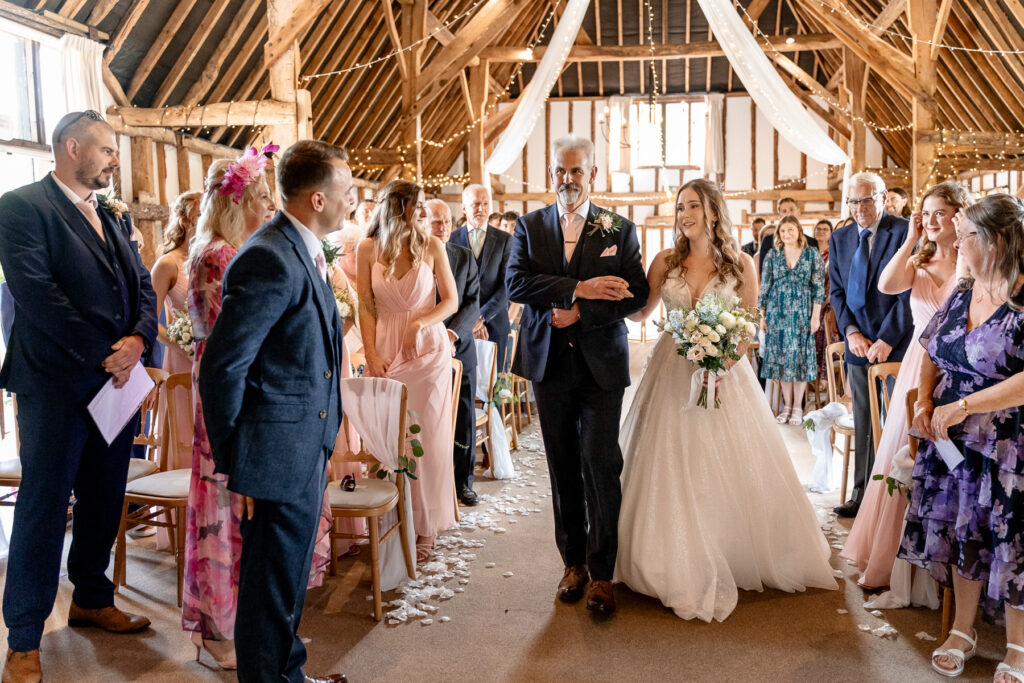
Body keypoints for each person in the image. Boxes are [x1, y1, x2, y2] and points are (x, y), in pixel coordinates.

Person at [615, 179, 836, 622]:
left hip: (724, 371)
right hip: (672, 369)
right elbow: (643, 310)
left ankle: (730, 547)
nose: (685, 214)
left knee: (727, 457)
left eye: (693, 205)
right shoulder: (665, 261)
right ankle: (665, 553)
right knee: (668, 456)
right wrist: (613, 300)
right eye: (680, 207)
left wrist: (723, 362)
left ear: (714, 211)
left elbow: (750, 322)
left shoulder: (741, 264)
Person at [0, 110, 158, 683]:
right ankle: (22, 637)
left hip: (115, 382)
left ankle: (92, 596)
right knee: (44, 506)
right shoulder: (21, 207)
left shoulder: (110, 213)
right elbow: (36, 294)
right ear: (72, 148)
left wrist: (139, 338)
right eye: (107, 150)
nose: (114, 159)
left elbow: (140, 282)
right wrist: (104, 354)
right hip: (55, 383)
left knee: (103, 494)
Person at [198, 140, 351, 683]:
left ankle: (289, 673)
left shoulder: (302, 246)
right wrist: (237, 460)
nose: (351, 201)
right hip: (273, 450)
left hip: (304, 441)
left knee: (285, 581)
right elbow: (220, 368)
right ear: (316, 198)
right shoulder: (268, 254)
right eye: (345, 192)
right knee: (268, 588)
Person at [506, 134, 649, 615]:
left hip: (601, 366)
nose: (568, 179)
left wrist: (581, 315)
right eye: (560, 171)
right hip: (549, 365)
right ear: (551, 174)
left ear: (593, 174)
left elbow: (634, 295)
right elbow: (517, 283)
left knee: (601, 465)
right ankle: (573, 564)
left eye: (577, 171)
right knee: (562, 465)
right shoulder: (528, 226)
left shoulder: (618, 229)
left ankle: (603, 573)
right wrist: (580, 288)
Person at [899, 193, 1024, 680]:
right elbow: (931, 349)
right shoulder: (962, 288)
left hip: (1010, 442)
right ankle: (964, 630)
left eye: (967, 233)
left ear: (995, 240)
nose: (957, 239)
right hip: (953, 441)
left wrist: (965, 405)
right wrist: (928, 402)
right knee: (962, 530)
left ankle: (1018, 646)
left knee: (1011, 539)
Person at [841, 180, 966, 590]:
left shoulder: (973, 260)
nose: (930, 220)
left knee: (949, 465)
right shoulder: (918, 261)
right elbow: (886, 286)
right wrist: (912, 238)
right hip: (916, 364)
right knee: (901, 457)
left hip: (958, 369)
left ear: (960, 214)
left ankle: (946, 568)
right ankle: (892, 562)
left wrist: (967, 241)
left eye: (939, 213)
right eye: (924, 213)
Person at [181, 154, 278, 670]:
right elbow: (236, 337)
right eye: (263, 197)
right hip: (226, 388)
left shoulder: (223, 250)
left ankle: (217, 625)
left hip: (220, 379)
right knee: (222, 502)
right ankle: (218, 634)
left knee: (221, 502)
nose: (270, 206)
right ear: (237, 201)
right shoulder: (221, 256)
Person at [357, 180, 458, 563]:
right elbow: (366, 305)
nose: (424, 214)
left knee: (427, 442)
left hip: (427, 352)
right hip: (385, 351)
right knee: (391, 441)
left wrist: (420, 324)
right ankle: (392, 520)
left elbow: (451, 300)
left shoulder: (432, 245)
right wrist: (370, 352)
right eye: (417, 208)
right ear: (399, 208)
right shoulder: (369, 249)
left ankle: (425, 527)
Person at [829, 171, 913, 518]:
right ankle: (861, 495)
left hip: (895, 343)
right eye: (853, 201)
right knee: (864, 420)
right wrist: (850, 332)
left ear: (882, 197)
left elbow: (910, 291)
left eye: (866, 199)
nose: (859, 207)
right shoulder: (841, 238)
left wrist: (886, 339)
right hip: (857, 344)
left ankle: (894, 500)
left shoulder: (904, 231)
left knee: (896, 420)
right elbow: (835, 290)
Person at [425, 199, 481, 507]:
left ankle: (464, 483)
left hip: (460, 346)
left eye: (447, 221)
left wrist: (451, 333)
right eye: (436, 222)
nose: (443, 228)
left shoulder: (464, 256)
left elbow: (473, 302)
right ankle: (433, 483)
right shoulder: (416, 256)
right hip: (422, 349)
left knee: (463, 414)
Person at [758, 215, 826, 425]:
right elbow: (765, 286)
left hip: (803, 312)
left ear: (798, 231)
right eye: (783, 231)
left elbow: (819, 288)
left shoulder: (811, 254)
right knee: (782, 361)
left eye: (790, 229)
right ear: (779, 234)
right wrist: (762, 315)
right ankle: (787, 405)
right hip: (777, 313)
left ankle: (798, 406)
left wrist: (816, 317)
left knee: (800, 360)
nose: (787, 234)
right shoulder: (772, 255)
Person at [150, 191, 201, 472]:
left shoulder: (213, 258)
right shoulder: (168, 264)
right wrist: (183, 345)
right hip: (181, 359)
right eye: (200, 214)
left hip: (212, 361)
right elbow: (147, 319)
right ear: (184, 219)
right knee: (185, 433)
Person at [450, 185, 512, 370]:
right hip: (460, 328)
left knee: (493, 392)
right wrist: (468, 321)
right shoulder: (451, 239)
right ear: (463, 207)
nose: (481, 209)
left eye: (486, 204)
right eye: (476, 204)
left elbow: (506, 285)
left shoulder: (505, 240)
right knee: (463, 388)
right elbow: (450, 286)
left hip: (494, 325)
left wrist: (481, 317)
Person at [812, 219, 841, 381]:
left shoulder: (833, 254)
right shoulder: (810, 252)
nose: (821, 231)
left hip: (828, 301)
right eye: (818, 228)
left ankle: (826, 378)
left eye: (825, 229)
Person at [758, 197, 818, 275]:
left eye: (791, 210)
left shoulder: (812, 242)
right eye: (784, 211)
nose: (788, 213)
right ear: (779, 215)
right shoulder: (768, 241)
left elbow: (816, 274)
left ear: (798, 212)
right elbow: (764, 272)